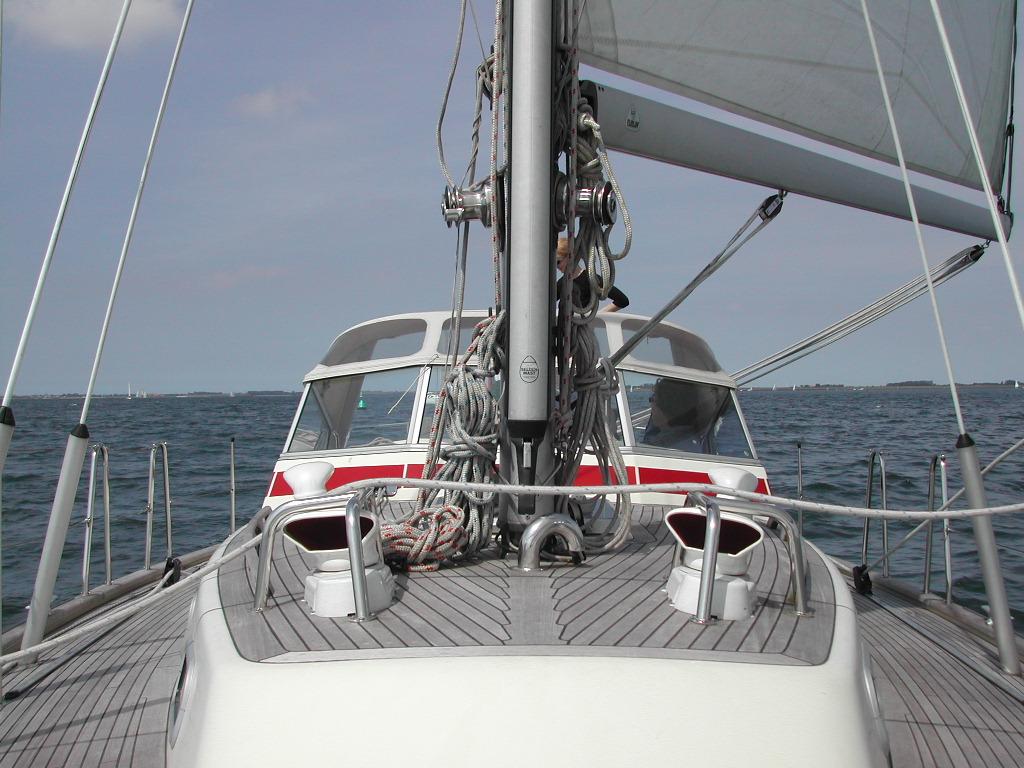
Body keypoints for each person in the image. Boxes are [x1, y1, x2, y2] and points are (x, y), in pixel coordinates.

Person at [556, 236, 629, 312]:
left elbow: (622, 300)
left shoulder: (591, 279)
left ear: (570, 257)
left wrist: (599, 315)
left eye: (558, 262)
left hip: (584, 318)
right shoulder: (561, 283)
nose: (556, 266)